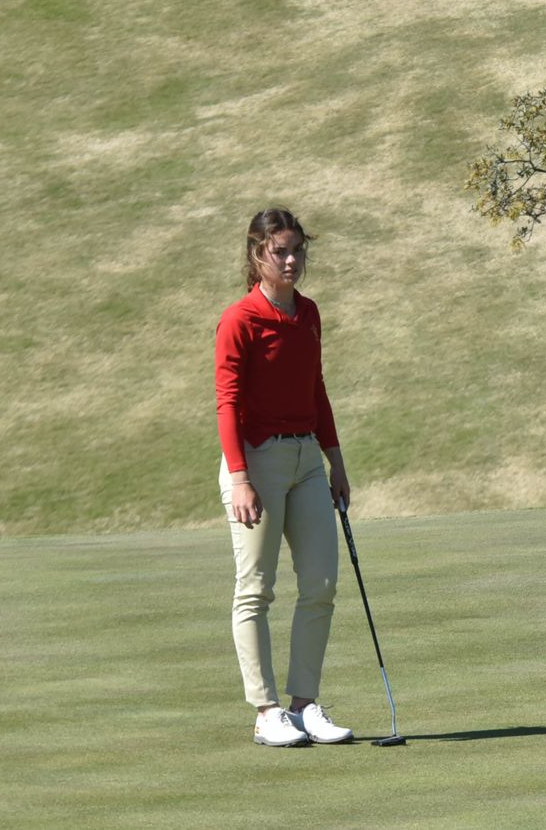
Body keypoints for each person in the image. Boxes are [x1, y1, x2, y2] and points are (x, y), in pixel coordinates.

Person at [215, 207, 354, 747]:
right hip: (256, 462)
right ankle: (266, 711)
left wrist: (335, 461)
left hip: (306, 461)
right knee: (256, 589)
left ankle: (303, 704)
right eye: (281, 251)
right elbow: (227, 403)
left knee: (321, 584)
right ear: (258, 255)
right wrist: (240, 478)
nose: (292, 260)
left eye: (298, 250)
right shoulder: (239, 320)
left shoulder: (308, 314)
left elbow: (316, 389)